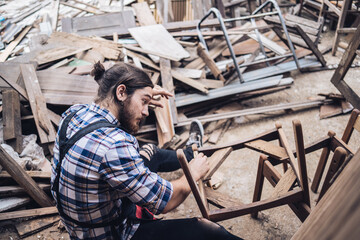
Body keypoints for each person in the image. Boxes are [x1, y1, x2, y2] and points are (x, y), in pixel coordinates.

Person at [50, 62, 243, 240]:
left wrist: (145, 93)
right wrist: (191, 174)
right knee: (206, 230)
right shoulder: (115, 145)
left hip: (82, 228)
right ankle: (193, 159)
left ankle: (192, 152)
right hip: (114, 233)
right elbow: (166, 202)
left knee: (151, 151)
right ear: (121, 92)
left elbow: (106, 139)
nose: (146, 112)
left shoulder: (74, 113)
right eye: (144, 102)